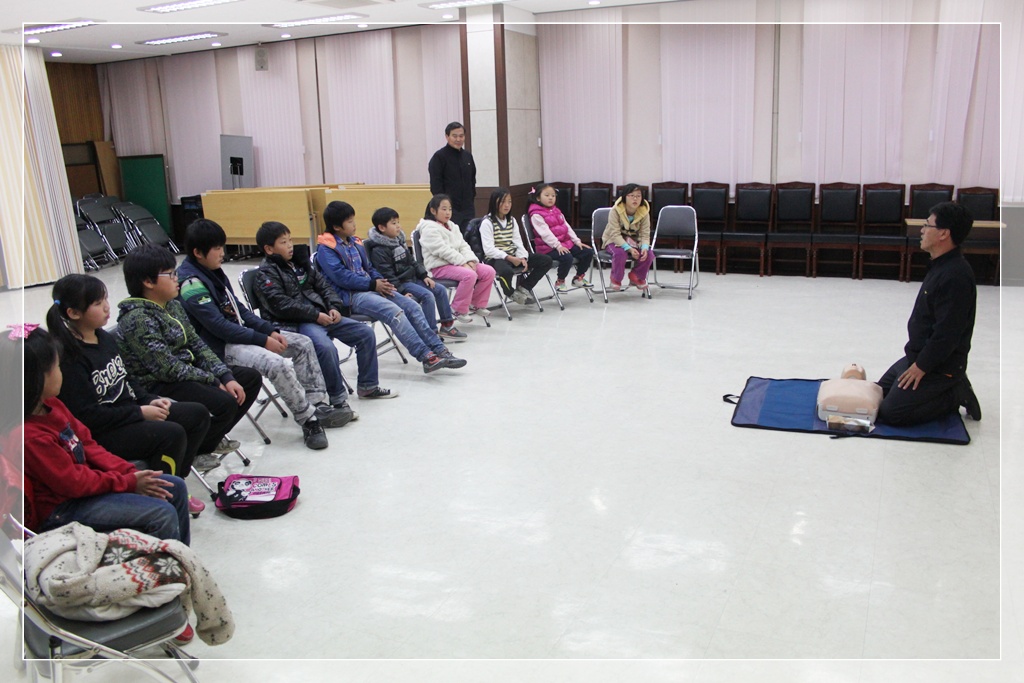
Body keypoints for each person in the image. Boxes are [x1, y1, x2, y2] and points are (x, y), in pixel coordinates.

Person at [177, 220, 354, 452]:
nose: (222, 253)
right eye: (217, 248)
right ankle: (308, 420)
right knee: (276, 363)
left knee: (303, 343)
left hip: (238, 335)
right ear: (198, 253)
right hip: (218, 347)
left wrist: (270, 331)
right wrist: (262, 339)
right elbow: (219, 327)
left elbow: (240, 312)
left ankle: (317, 404)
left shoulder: (213, 271)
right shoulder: (191, 283)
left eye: (222, 247)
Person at [46, 275, 210, 516]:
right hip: (106, 430)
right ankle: (161, 492)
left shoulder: (103, 337)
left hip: (129, 412)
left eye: (105, 299)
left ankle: (175, 480)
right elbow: (88, 416)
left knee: (196, 414)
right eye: (97, 303)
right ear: (73, 313)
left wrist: (147, 399)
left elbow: (127, 377)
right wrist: (139, 413)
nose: (106, 307)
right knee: (171, 434)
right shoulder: (71, 358)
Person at [21, 327, 191, 545]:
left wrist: (129, 472)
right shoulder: (30, 436)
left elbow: (88, 444)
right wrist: (128, 483)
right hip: (63, 509)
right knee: (161, 513)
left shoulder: (53, 404)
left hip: (85, 491)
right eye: (57, 367)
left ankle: (181, 558)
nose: (61, 373)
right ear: (35, 379)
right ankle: (162, 563)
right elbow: (74, 483)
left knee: (174, 486)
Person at [116, 245, 262, 471]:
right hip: (159, 383)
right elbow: (167, 368)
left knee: (249, 379)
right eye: (170, 274)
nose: (177, 279)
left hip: (187, 372)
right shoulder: (137, 319)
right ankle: (197, 450)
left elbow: (196, 343)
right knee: (224, 402)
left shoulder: (173, 306)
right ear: (148, 282)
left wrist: (225, 375)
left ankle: (207, 440)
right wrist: (212, 380)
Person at [252, 220, 397, 400]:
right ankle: (337, 398)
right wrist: (315, 315)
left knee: (365, 333)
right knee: (326, 347)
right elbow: (281, 305)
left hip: (322, 315)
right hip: (298, 322)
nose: (290, 246)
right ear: (269, 249)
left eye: (290, 240)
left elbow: (324, 286)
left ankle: (368, 386)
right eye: (283, 242)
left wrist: (334, 307)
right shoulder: (266, 274)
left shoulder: (299, 263)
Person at [317, 201, 466, 374]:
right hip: (352, 296)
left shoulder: (354, 243)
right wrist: (373, 284)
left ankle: (440, 350)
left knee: (412, 306)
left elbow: (369, 268)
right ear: (336, 226)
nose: (354, 224)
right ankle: (426, 357)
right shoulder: (326, 249)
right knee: (394, 312)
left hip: (371, 288)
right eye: (349, 221)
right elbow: (342, 277)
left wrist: (381, 282)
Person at [877, 201, 982, 426]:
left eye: (928, 225)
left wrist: (921, 367)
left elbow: (947, 335)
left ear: (944, 233)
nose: (922, 230)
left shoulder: (955, 276)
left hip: (940, 366)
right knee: (878, 392)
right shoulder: (940, 265)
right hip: (918, 354)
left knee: (892, 413)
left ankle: (956, 392)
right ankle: (926, 378)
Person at [363, 206, 467, 343]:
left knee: (440, 289)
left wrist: (424, 276)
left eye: (398, 222)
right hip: (401, 283)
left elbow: (412, 262)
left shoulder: (398, 240)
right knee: (427, 296)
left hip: (412, 278)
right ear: (382, 228)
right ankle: (430, 333)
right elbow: (387, 275)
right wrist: (402, 291)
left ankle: (447, 326)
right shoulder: (379, 250)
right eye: (393, 223)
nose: (398, 226)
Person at [416, 194, 497, 322]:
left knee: (489, 271)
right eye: (444, 209)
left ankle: (475, 303)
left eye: (450, 209)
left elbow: (463, 245)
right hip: (440, 266)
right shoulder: (428, 228)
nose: (448, 212)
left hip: (459, 263)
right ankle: (457, 308)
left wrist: (470, 260)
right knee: (469, 275)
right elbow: (442, 250)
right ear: (433, 210)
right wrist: (463, 263)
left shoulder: (452, 226)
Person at [479, 188, 553, 305]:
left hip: (513, 255)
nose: (507, 205)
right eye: (503, 202)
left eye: (509, 202)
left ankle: (525, 287)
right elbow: (489, 250)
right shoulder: (487, 222)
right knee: (506, 271)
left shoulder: (512, 220)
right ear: (494, 203)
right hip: (496, 258)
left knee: (546, 261)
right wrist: (509, 257)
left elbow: (518, 242)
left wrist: (523, 257)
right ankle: (510, 292)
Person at [528, 183, 594, 292]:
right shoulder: (536, 214)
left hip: (564, 244)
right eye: (547, 195)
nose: (550, 198)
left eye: (553, 195)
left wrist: (577, 241)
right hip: (548, 248)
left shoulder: (556, 210)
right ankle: (560, 281)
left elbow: (567, 227)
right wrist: (558, 246)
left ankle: (578, 277)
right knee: (566, 257)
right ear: (538, 198)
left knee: (587, 252)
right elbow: (545, 234)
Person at [602, 184, 655, 291]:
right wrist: (629, 248)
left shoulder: (644, 212)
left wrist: (644, 247)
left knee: (649, 254)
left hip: (634, 241)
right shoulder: (615, 210)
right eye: (632, 195)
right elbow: (615, 234)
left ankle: (636, 276)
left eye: (638, 196)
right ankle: (616, 279)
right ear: (624, 197)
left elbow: (645, 234)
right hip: (613, 240)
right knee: (620, 253)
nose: (635, 199)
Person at [428, 122, 477, 232]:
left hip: (468, 208)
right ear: (447, 136)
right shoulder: (439, 157)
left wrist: (471, 199)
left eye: (461, 136)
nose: (458, 139)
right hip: (449, 210)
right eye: (454, 136)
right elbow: (436, 187)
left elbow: (472, 180)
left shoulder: (467, 156)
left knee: (469, 237)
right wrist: (445, 207)